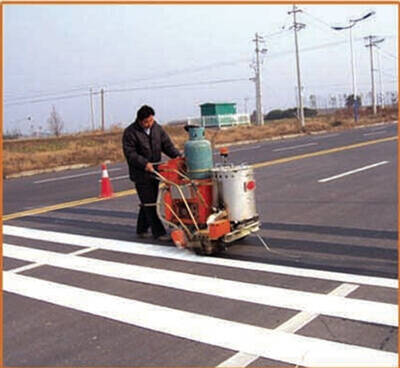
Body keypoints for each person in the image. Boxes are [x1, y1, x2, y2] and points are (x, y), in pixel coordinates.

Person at [122, 105, 181, 241]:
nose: (149, 124)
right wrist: (144, 164)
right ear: (140, 120)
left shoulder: (157, 129)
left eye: (151, 120)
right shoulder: (130, 132)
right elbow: (130, 154)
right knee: (151, 202)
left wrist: (177, 157)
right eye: (147, 122)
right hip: (141, 174)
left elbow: (167, 145)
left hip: (155, 170)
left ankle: (141, 229)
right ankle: (159, 232)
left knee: (149, 201)